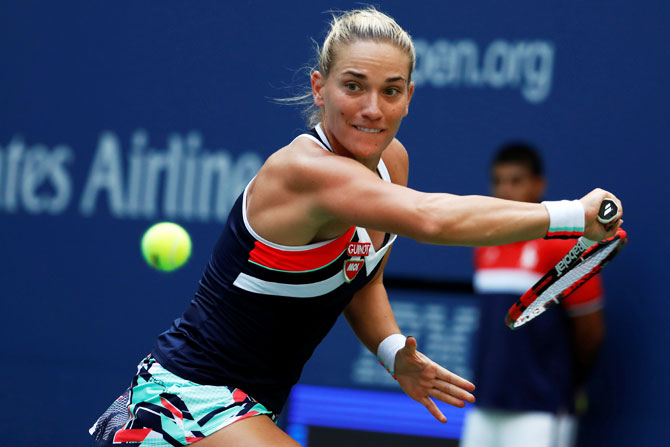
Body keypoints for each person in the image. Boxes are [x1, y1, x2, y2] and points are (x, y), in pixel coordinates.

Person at [89, 8, 622, 447]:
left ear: (409, 96)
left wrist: (394, 355)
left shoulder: (394, 163)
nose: (372, 109)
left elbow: (360, 277)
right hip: (187, 399)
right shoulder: (305, 172)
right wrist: (574, 215)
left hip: (249, 407)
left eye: (391, 91)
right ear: (319, 88)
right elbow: (430, 219)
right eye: (354, 86)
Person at [460, 143, 607, 447]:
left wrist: (564, 385)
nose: (505, 190)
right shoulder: (484, 243)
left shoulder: (566, 247)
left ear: (539, 184)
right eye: (498, 181)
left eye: (516, 180)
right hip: (484, 403)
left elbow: (590, 332)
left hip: (541, 409)